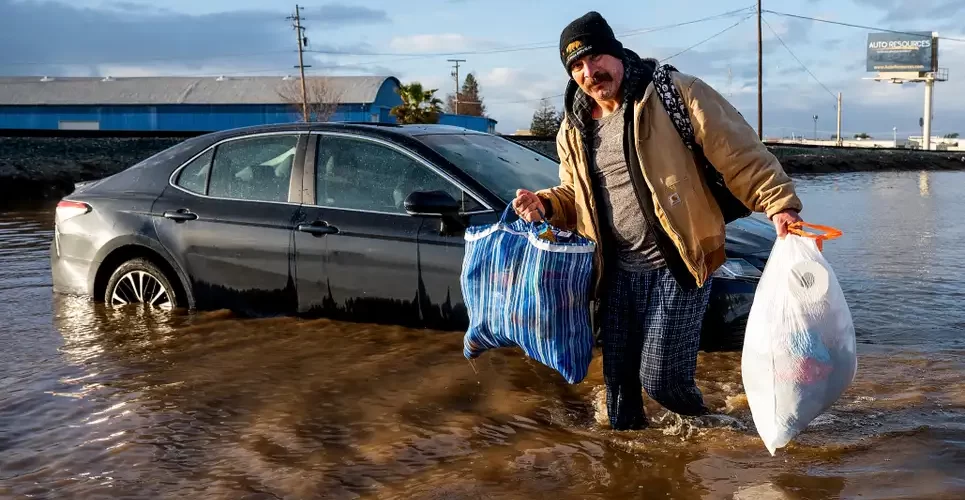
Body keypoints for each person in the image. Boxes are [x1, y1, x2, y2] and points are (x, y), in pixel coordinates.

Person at [512, 11, 804, 430]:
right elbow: (575, 197)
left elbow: (739, 152)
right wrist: (543, 204)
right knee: (619, 401)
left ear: (615, 53)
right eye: (576, 66)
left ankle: (714, 430)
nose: (589, 72)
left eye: (595, 58)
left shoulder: (674, 93)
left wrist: (780, 204)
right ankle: (629, 477)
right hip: (614, 274)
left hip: (680, 262)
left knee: (662, 379)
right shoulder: (572, 129)